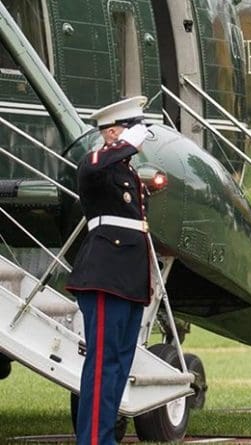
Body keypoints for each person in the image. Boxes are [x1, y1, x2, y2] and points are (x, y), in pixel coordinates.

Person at [66, 96, 152, 445]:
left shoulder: (126, 172)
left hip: (128, 276)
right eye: (133, 130)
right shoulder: (97, 162)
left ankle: (103, 438)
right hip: (105, 274)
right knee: (103, 364)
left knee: (118, 364)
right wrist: (126, 141)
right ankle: (94, 441)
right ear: (113, 132)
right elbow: (95, 165)